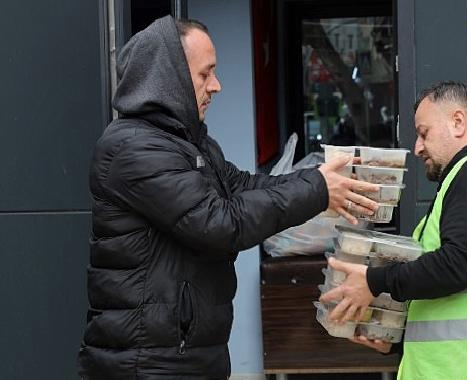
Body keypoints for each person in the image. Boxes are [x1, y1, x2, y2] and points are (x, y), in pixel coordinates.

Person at [77, 16, 379, 379]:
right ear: (166, 76)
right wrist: (316, 190)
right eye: (205, 74)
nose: (216, 86)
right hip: (147, 363)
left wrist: (321, 182)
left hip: (183, 355)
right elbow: (218, 223)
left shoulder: (190, 144)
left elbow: (244, 188)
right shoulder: (133, 149)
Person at [321, 81, 467, 379]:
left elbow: (458, 264)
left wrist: (373, 281)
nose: (416, 148)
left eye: (423, 133)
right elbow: (449, 294)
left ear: (457, 122)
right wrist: (396, 340)